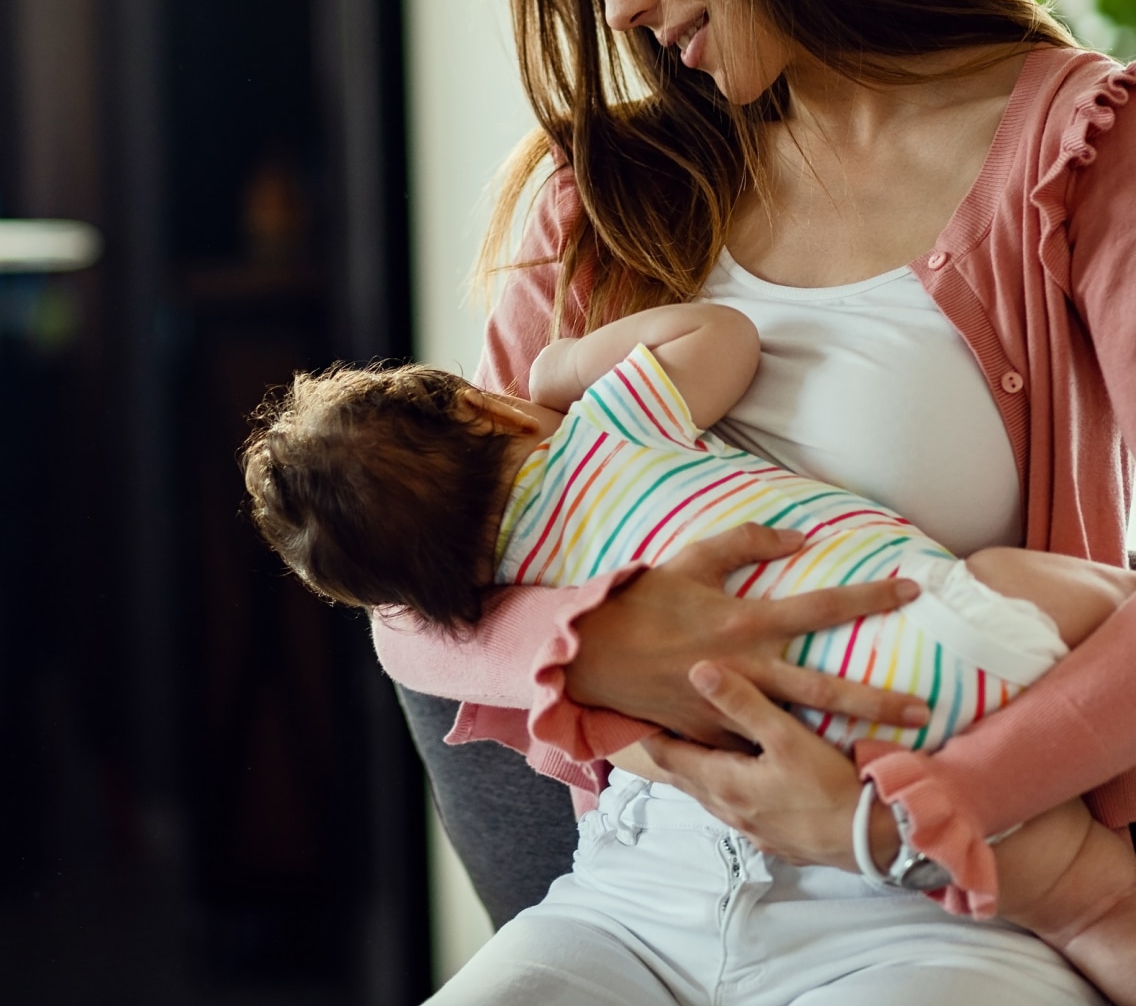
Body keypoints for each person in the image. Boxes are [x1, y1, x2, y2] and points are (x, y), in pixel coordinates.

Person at [371, 0, 1136, 1004]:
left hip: (937, 906)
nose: (616, 2)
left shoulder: (1082, 158)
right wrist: (601, 641)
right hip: (631, 893)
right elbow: (411, 602)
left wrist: (917, 809)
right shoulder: (594, 200)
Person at [243, 303, 1136, 995]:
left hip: (824, 750)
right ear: (485, 407)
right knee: (1020, 590)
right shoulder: (605, 428)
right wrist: (563, 368)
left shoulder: (519, 599)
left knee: (1058, 881)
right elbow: (726, 336)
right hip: (942, 646)